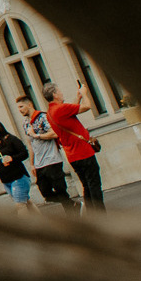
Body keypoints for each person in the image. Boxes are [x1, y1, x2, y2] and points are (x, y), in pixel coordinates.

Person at [43, 81, 105, 210]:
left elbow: (71, 112)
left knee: (87, 186)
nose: (61, 93)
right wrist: (84, 94)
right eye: (59, 91)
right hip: (83, 152)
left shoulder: (50, 112)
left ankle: (92, 215)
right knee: (94, 185)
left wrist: (78, 97)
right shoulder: (60, 109)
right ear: (54, 94)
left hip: (73, 155)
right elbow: (87, 106)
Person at [18, 94, 74, 212]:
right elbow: (30, 144)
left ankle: (71, 212)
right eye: (18, 108)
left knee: (60, 189)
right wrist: (32, 164)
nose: (20, 110)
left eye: (21, 106)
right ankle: (72, 204)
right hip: (39, 163)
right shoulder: (26, 124)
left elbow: (54, 133)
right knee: (46, 192)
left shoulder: (42, 117)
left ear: (29, 104)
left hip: (52, 159)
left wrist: (37, 135)